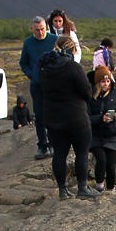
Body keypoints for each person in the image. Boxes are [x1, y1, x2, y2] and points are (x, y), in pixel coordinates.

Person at [38, 35, 95, 200]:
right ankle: (82, 188)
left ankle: (62, 190)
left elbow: (41, 88)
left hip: (53, 118)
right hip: (76, 117)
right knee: (82, 153)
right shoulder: (72, 67)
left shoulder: (44, 68)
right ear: (72, 49)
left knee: (59, 154)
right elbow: (86, 91)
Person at [19, 15, 56, 157]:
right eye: (37, 30)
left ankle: (53, 143)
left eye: (42, 29)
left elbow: (62, 58)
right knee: (39, 116)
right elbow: (23, 63)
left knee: (52, 114)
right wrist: (31, 74)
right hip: (37, 85)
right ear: (32, 29)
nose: (40, 33)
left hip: (52, 84)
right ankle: (42, 145)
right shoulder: (28, 43)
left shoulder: (53, 40)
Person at [88, 66, 116, 193]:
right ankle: (99, 185)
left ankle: (110, 189)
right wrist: (101, 118)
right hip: (95, 135)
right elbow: (85, 117)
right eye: (102, 81)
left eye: (107, 81)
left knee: (111, 165)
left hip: (112, 134)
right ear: (97, 82)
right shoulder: (90, 96)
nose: (105, 84)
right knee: (101, 159)